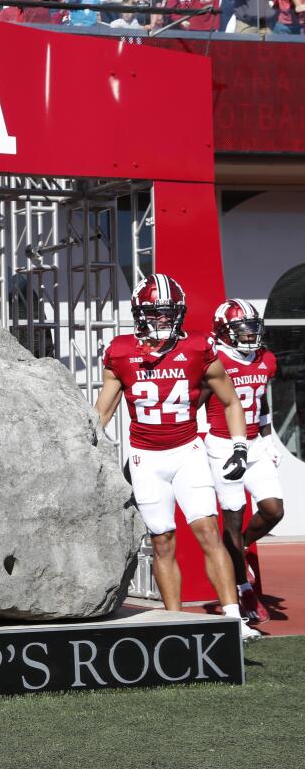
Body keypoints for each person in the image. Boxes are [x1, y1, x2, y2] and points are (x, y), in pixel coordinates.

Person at [95, 274, 260, 640]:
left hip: (188, 451)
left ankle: (233, 618)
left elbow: (230, 400)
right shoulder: (121, 351)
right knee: (162, 541)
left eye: (170, 313)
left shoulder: (199, 347)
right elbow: (102, 414)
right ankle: (175, 622)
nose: (164, 321)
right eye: (156, 313)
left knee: (207, 531)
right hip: (145, 458)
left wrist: (239, 446)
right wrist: (88, 451)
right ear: (140, 314)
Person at [201, 300, 283, 624]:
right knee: (232, 519)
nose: (250, 334)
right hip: (222, 444)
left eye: (252, 327)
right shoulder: (216, 360)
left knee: (274, 509)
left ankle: (244, 547)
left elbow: (261, 402)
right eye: (242, 329)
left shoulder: (266, 359)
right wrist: (199, 438)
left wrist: (268, 437)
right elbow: (196, 403)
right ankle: (244, 588)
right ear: (224, 332)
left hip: (254, 442)